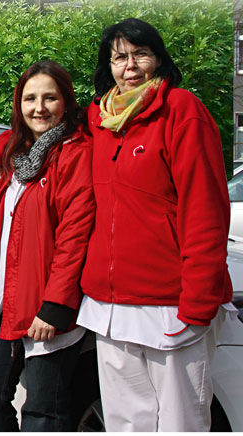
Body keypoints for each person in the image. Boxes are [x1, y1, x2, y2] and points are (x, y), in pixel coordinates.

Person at [72, 18, 236, 432]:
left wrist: (198, 301)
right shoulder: (98, 118)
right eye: (119, 57)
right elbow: (46, 131)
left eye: (140, 54)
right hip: (109, 305)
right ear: (107, 66)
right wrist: (3, 144)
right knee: (126, 423)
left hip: (171, 302)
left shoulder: (182, 110)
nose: (130, 66)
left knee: (182, 423)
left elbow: (206, 209)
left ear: (158, 59)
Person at [0, 60, 95, 432]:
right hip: (2, 304)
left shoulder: (76, 153)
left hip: (46, 312)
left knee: (44, 413)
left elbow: (74, 236)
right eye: (30, 99)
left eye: (50, 97)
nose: (39, 107)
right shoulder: (17, 158)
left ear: (66, 102)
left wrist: (56, 305)